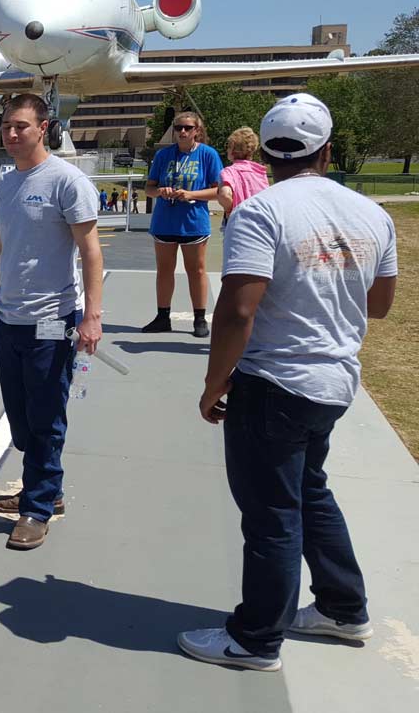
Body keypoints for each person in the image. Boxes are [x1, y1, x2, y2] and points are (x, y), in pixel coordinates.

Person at [179, 94, 398, 672]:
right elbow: (378, 305)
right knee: (309, 493)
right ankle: (343, 607)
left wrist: (213, 383)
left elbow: (237, 310)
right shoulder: (371, 214)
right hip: (333, 380)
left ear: (269, 154)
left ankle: (255, 639)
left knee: (272, 513)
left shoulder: (261, 212)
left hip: (275, 380)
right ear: (326, 150)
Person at [0, 93, 103, 551]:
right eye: (6, 126)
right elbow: (1, 250)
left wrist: (92, 317)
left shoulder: (67, 180)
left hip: (52, 319)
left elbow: (90, 251)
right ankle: (45, 488)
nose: (11, 133)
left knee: (45, 418)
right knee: (22, 421)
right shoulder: (6, 182)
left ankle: (37, 508)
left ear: (43, 128)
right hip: (11, 318)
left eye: (21, 126)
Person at [142, 112, 223, 338]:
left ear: (197, 130)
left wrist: (191, 194)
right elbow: (149, 188)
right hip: (164, 222)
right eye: (178, 128)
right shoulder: (163, 155)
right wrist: (161, 191)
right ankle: (162, 316)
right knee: (164, 270)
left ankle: (199, 317)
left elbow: (219, 190)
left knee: (196, 270)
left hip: (193, 222)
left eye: (187, 128)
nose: (182, 132)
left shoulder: (208, 155)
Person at [216, 126, 269, 224]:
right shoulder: (260, 171)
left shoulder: (228, 172)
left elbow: (225, 195)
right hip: (259, 222)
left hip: (238, 223)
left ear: (232, 149)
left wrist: (229, 210)